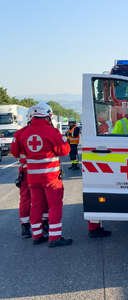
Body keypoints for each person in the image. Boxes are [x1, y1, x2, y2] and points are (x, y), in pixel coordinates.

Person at [13, 102, 72, 247]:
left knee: (36, 205)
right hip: (50, 177)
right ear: (47, 116)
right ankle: (54, 237)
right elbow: (64, 151)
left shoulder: (23, 133)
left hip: (32, 177)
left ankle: (37, 235)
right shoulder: (52, 132)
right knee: (54, 205)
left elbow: (16, 152)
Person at [11, 107, 49, 239]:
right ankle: (44, 224)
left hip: (26, 171)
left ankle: (26, 227)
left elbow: (15, 153)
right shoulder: (45, 131)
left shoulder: (19, 134)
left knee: (25, 199)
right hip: (42, 171)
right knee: (43, 198)